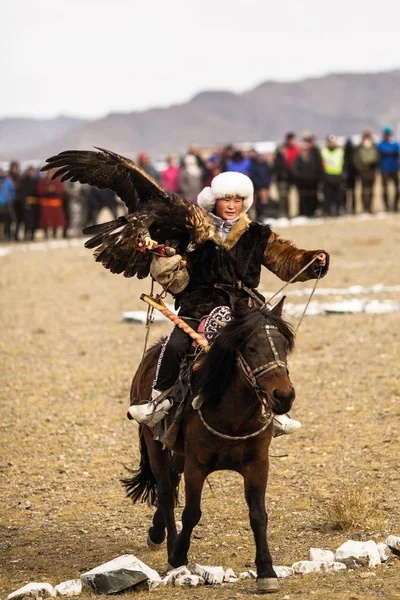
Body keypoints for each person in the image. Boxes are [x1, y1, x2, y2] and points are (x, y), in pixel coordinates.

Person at [128, 171, 329, 435]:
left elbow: (286, 259)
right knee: (176, 344)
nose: (232, 205)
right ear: (214, 201)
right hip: (199, 304)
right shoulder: (192, 233)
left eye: (237, 199)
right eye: (226, 200)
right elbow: (174, 270)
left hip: (244, 309)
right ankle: (157, 401)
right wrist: (164, 259)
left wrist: (314, 260)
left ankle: (276, 411)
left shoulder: (258, 235)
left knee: (268, 346)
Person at [292, 134, 323, 217]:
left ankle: (312, 212)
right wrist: (301, 178)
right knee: (303, 198)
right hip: (302, 183)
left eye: (306, 149)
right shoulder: (298, 158)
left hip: (312, 182)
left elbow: (317, 168)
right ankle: (303, 213)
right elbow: (295, 170)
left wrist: (314, 178)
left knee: (312, 198)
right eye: (303, 149)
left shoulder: (314, 157)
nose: (305, 151)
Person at [274, 132, 300, 218]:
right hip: (283, 178)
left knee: (294, 196)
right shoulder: (282, 150)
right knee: (283, 197)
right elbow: (278, 164)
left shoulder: (297, 149)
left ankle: (292, 213)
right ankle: (283, 214)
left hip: (293, 177)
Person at [353, 129, 379, 213]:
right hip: (363, 171)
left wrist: (375, 164)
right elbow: (356, 159)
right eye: (366, 135)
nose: (367, 137)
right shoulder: (360, 147)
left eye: (369, 135)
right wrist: (360, 168)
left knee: (372, 190)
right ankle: (364, 207)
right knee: (364, 190)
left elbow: (378, 157)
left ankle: (370, 207)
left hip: (372, 171)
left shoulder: (374, 146)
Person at [38, 170, 67, 238]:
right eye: (49, 174)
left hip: (55, 205)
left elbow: (61, 191)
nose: (50, 176)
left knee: (56, 221)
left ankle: (54, 234)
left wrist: (54, 190)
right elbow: (39, 191)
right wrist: (47, 190)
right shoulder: (42, 182)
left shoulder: (57, 182)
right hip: (46, 205)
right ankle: (46, 235)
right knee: (45, 221)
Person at [321, 135, 345, 216]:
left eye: (333, 142)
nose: (331, 143)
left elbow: (343, 163)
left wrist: (344, 175)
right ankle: (327, 212)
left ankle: (337, 211)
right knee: (327, 196)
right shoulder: (323, 151)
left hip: (338, 177)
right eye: (330, 142)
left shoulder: (340, 151)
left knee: (338, 196)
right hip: (327, 177)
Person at [377, 126, 399, 212]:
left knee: (397, 188)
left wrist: (390, 151)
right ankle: (387, 206)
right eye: (386, 134)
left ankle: (395, 205)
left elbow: (397, 151)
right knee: (385, 189)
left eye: (389, 134)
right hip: (385, 170)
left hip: (394, 169)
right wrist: (391, 151)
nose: (387, 136)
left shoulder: (395, 143)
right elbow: (382, 151)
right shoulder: (381, 144)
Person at [249, 151, 271, 222]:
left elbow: (269, 176)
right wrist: (260, 186)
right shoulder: (254, 166)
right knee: (258, 203)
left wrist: (266, 186)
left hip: (265, 187)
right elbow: (253, 177)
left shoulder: (266, 165)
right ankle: (258, 217)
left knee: (265, 202)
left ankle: (265, 215)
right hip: (257, 188)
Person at [20, 166, 39, 241]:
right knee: (27, 221)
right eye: (31, 171)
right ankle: (25, 236)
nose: (32, 173)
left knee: (34, 221)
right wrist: (25, 202)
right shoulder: (24, 181)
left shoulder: (36, 180)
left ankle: (32, 236)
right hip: (27, 203)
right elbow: (22, 193)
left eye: (33, 171)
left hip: (35, 204)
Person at [8, 161, 23, 240]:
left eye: (16, 167)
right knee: (10, 220)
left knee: (18, 219)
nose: (15, 169)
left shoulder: (20, 176)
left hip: (19, 200)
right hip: (10, 200)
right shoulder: (8, 177)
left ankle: (16, 235)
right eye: (14, 167)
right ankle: (8, 235)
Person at [0, 169, 15, 241]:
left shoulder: (8, 181)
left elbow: (11, 191)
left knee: (7, 221)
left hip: (6, 204)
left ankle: (7, 235)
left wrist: (11, 200)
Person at [343, 139, 357, 214]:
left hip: (352, 175)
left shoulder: (353, 154)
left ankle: (353, 208)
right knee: (345, 193)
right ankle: (346, 208)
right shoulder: (345, 154)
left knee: (352, 193)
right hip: (347, 176)